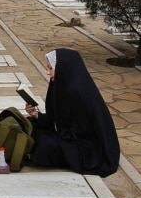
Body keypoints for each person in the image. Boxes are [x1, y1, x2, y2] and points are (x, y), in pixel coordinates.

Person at [24, 48, 120, 177]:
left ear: (63, 68)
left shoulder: (77, 93)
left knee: (45, 145)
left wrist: (55, 133)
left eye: (51, 68)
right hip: (67, 134)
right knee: (29, 124)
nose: (48, 72)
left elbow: (80, 132)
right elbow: (57, 119)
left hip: (85, 147)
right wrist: (36, 115)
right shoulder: (62, 84)